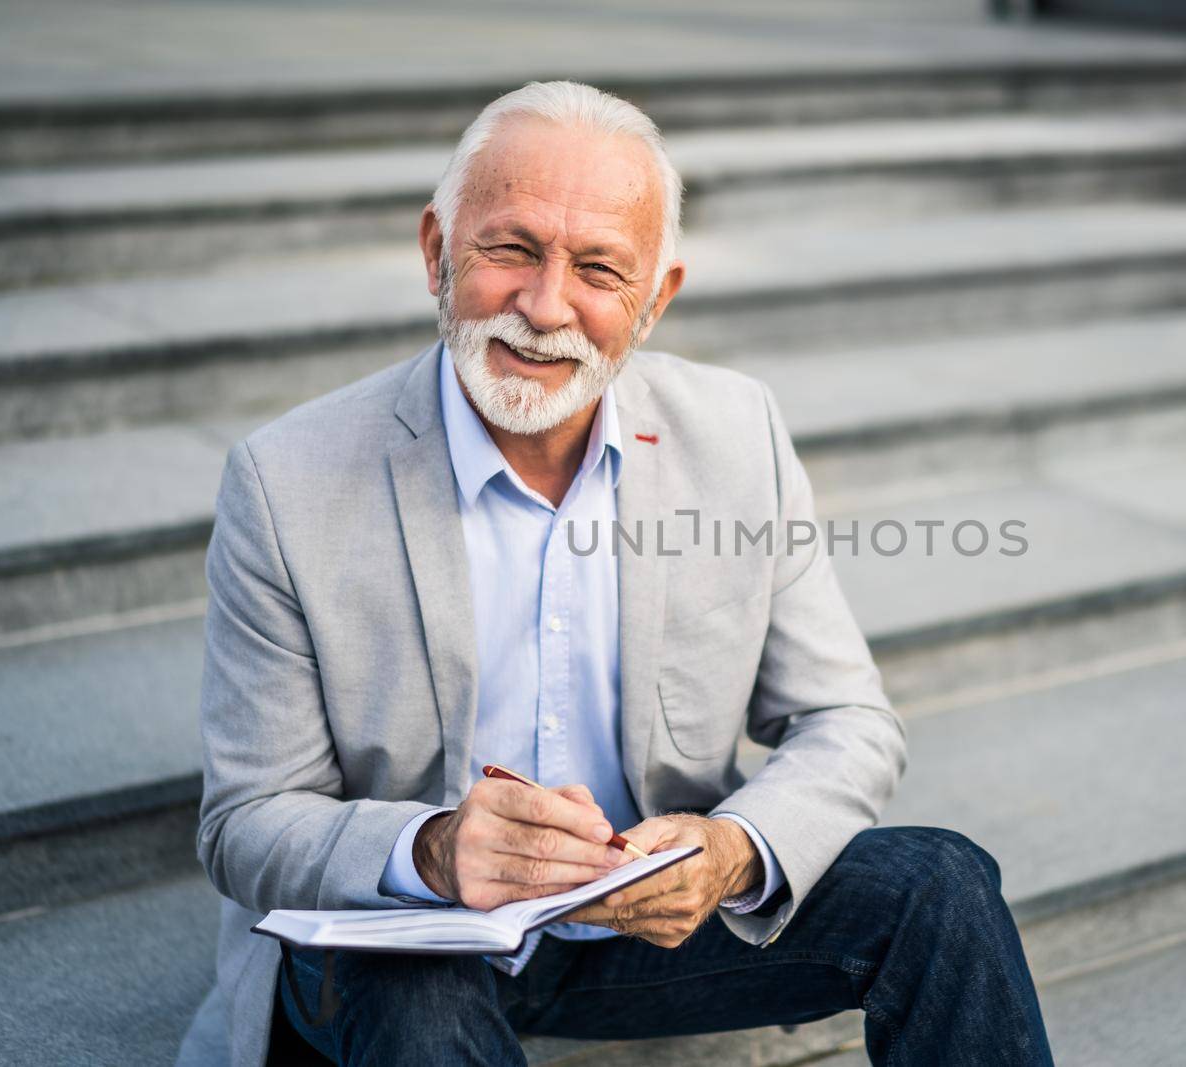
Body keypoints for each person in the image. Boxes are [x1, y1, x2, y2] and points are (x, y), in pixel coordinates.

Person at [179, 80, 1051, 1067]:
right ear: (435, 251)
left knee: (941, 881)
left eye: (598, 267)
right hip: (410, 931)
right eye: (508, 249)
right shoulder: (286, 478)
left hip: (643, 932)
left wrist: (729, 852)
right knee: (420, 1006)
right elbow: (247, 822)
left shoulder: (737, 433)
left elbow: (846, 719)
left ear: (653, 300)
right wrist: (429, 848)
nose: (545, 307)